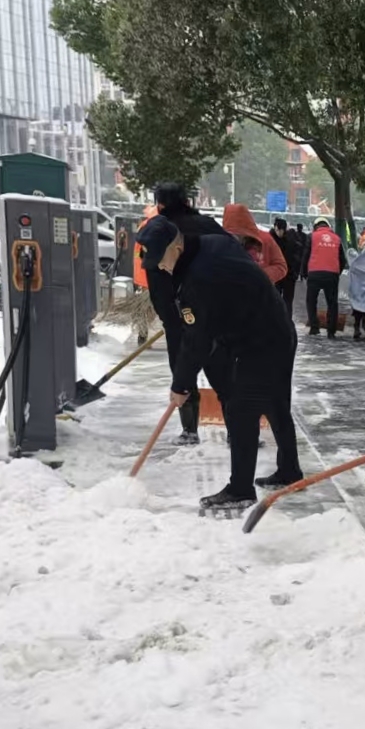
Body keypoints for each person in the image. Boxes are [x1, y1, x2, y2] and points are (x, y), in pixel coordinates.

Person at [136, 213, 304, 509]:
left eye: (160, 260)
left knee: (240, 410)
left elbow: (197, 340)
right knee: (275, 403)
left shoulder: (197, 280)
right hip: (278, 331)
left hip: (261, 342)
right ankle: (289, 470)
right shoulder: (211, 244)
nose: (160, 267)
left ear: (175, 249)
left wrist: (181, 385)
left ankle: (240, 489)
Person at [148, 184, 228, 445]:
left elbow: (155, 280)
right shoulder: (209, 225)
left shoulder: (160, 231)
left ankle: (190, 430)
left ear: (160, 204)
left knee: (183, 373)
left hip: (178, 313)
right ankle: (237, 428)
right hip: (218, 315)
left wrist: (168, 318)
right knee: (225, 374)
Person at [223, 204, 289, 291]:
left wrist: (259, 276)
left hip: (260, 296)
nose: (237, 238)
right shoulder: (221, 243)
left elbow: (281, 266)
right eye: (232, 234)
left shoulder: (266, 240)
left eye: (239, 234)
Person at [305, 219, 345, 337]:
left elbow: (306, 255)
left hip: (314, 273)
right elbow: (342, 260)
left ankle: (314, 327)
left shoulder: (312, 236)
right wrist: (337, 272)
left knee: (311, 301)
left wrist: (304, 273)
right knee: (332, 303)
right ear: (328, 226)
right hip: (332, 275)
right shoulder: (337, 239)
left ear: (316, 226)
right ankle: (331, 331)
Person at [271, 218, 302, 320]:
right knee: (275, 299)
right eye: (276, 229)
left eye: (279, 230)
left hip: (289, 275)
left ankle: (287, 321)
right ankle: (275, 319)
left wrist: (295, 272)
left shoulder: (292, 240)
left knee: (288, 300)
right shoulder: (271, 239)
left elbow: (297, 257)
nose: (278, 232)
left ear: (284, 229)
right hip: (276, 275)